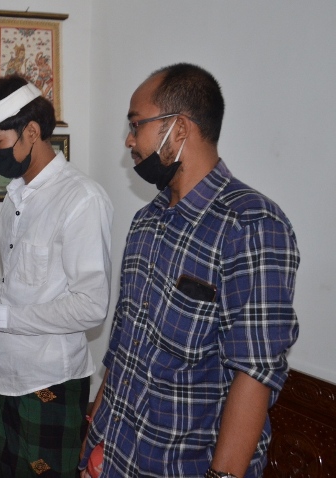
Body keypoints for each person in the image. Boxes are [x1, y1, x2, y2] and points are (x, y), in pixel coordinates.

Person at [79, 63, 300, 478]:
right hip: (115, 457)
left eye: (136, 124)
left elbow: (254, 374)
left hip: (181, 467)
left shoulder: (250, 226)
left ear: (178, 128)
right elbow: (125, 342)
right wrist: (95, 435)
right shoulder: (147, 221)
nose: (129, 140)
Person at [0, 76, 114, 477]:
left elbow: (90, 307)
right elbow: (22, 283)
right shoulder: (16, 195)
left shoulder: (81, 198)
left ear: (31, 131)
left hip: (47, 383)